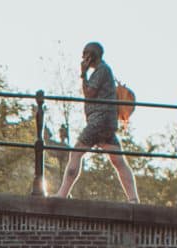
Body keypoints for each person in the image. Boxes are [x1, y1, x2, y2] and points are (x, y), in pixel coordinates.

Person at [54, 42, 139, 203]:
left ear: (91, 55)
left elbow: (89, 93)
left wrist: (83, 74)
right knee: (118, 160)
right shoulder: (105, 71)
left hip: (98, 121)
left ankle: (62, 194)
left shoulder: (101, 71)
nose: (83, 58)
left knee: (76, 152)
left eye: (85, 54)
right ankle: (133, 199)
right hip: (107, 122)